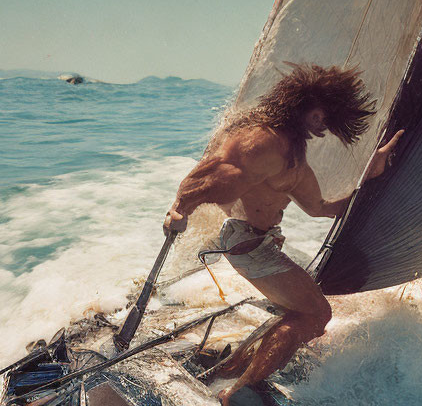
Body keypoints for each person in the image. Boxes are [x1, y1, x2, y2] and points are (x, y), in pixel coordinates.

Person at [162, 63, 404, 405]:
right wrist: (179, 209)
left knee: (299, 308)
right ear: (312, 112)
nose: (323, 129)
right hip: (248, 245)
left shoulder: (286, 149)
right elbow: (214, 175)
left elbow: (321, 208)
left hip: (257, 243)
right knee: (316, 314)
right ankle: (234, 393)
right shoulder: (267, 143)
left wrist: (369, 175)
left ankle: (229, 370)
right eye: (324, 119)